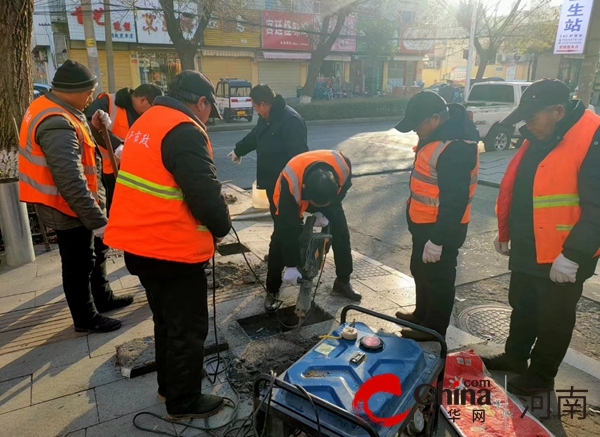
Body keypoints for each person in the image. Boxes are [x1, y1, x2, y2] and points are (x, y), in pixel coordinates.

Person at [104, 71, 231, 420]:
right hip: (171, 248)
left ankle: (169, 385)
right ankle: (183, 401)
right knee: (187, 327)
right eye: (209, 110)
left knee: (165, 321)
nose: (208, 118)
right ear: (201, 102)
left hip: (140, 246)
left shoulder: (147, 122)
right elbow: (204, 193)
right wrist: (222, 226)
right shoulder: (184, 129)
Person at [483, 79, 600, 396]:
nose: (527, 124)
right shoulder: (539, 134)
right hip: (529, 244)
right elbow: (521, 185)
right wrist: (506, 230)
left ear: (558, 111)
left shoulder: (592, 138)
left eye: (533, 116)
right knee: (522, 305)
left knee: (554, 318)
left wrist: (573, 255)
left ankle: (541, 376)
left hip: (564, 254)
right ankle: (515, 357)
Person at [18, 60, 133, 333]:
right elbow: (70, 180)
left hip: (76, 203)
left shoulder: (59, 107)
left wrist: (94, 124)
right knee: (78, 263)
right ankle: (85, 318)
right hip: (66, 206)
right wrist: (97, 220)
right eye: (89, 92)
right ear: (73, 90)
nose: (91, 98)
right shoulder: (55, 122)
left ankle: (102, 299)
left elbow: (81, 144)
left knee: (95, 254)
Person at [394, 90, 480, 342]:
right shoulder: (438, 136)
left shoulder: (455, 148)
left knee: (439, 280)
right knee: (421, 272)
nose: (415, 130)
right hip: (424, 226)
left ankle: (433, 329)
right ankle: (421, 315)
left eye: (417, 124)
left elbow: (455, 201)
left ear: (434, 118)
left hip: (440, 229)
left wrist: (438, 240)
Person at [268, 149, 360, 311]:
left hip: (328, 198)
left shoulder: (343, 166)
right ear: (305, 188)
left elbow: (343, 190)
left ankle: (343, 281)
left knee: (341, 234)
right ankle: (273, 289)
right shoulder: (291, 181)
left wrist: (325, 211)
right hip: (290, 195)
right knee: (279, 238)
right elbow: (288, 227)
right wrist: (290, 264)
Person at [227, 84, 308, 218]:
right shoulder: (267, 118)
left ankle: (286, 238)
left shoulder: (291, 120)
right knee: (277, 216)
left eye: (255, 107)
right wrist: (238, 150)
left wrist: (293, 185)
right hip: (272, 181)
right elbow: (255, 136)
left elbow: (299, 156)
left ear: (263, 104)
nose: (255, 111)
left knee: (288, 220)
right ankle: (281, 237)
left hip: (286, 185)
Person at [85, 84, 163, 210]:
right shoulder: (108, 102)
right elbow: (88, 125)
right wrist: (117, 145)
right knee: (105, 207)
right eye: (153, 107)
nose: (154, 112)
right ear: (142, 100)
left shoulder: (144, 116)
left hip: (127, 172)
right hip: (100, 170)